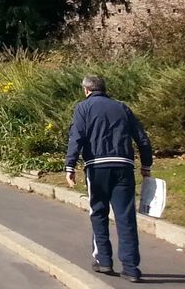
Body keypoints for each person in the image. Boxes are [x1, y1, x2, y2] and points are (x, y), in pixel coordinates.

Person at [65, 73, 153, 284]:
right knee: (125, 216)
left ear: (86, 90)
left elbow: (77, 136)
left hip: (97, 167)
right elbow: (141, 137)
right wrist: (146, 164)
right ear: (103, 89)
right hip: (123, 165)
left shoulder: (83, 108)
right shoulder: (122, 107)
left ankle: (104, 260)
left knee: (98, 212)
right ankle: (131, 268)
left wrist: (70, 165)